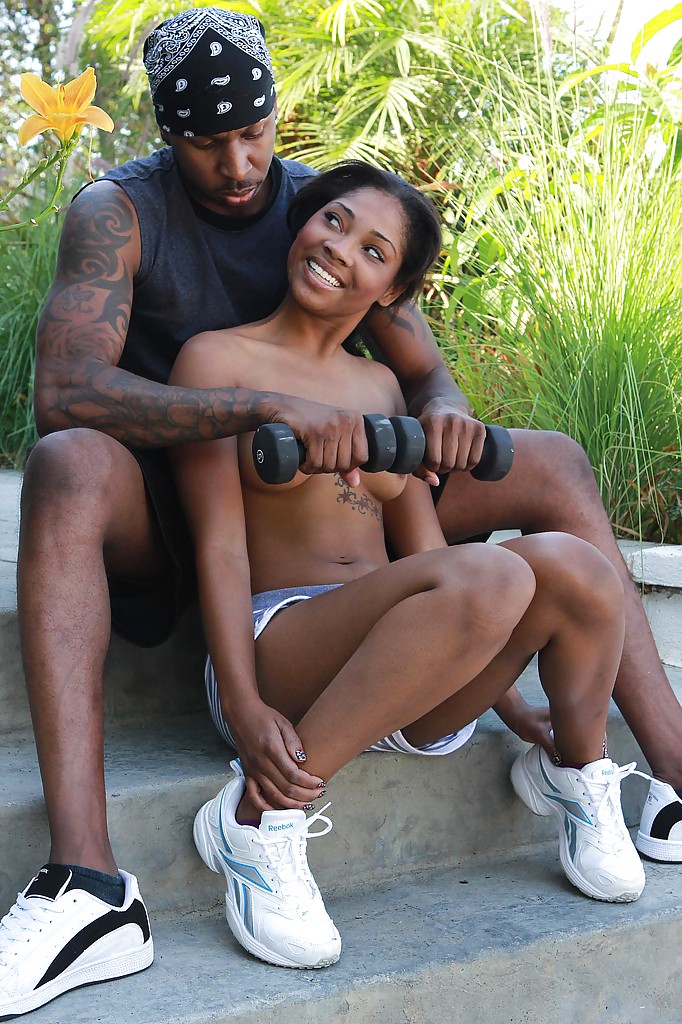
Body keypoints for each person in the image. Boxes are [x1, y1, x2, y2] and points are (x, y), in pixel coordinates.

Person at [2, 3, 679, 1017]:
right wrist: (262, 409)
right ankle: (88, 883)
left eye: (255, 132)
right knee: (65, 464)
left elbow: (422, 372)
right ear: (167, 132)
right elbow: (65, 392)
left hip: (333, 508)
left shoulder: (326, 207)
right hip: (181, 498)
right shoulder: (120, 211)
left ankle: (658, 773)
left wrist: (442, 415)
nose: (239, 163)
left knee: (551, 467)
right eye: (207, 141)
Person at [169, 161, 646, 970]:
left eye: (373, 249)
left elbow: (424, 552)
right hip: (278, 653)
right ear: (301, 224)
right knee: (494, 572)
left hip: (405, 673)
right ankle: (257, 819)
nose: (340, 248)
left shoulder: (383, 386)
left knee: (579, 566)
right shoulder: (216, 361)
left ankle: (575, 766)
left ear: (392, 290)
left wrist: (503, 700)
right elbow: (218, 543)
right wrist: (242, 703)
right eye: (334, 221)